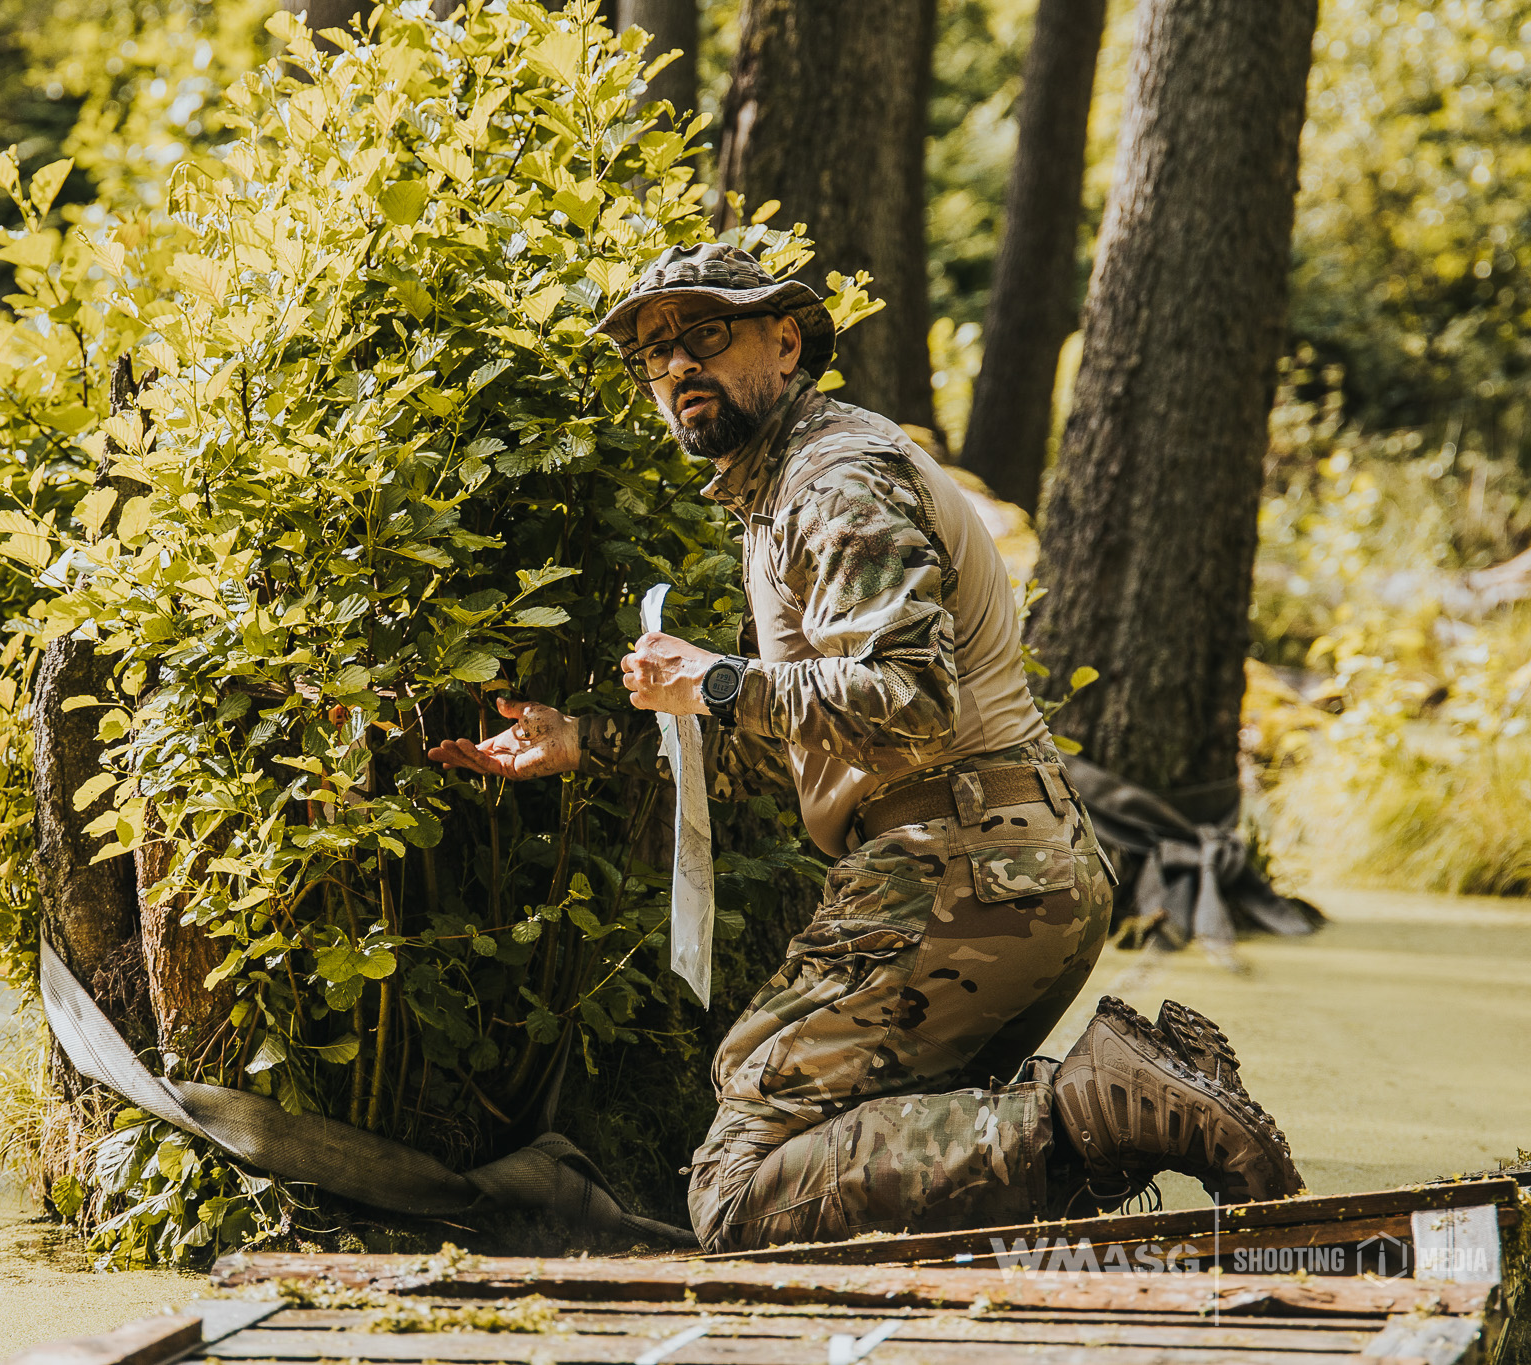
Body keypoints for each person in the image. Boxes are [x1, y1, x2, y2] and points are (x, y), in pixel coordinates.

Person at [429, 243, 1303, 1252]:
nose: (677, 366)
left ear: (783, 342)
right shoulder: (785, 489)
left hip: (961, 870)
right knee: (828, 1147)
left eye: (704, 333)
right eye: (653, 352)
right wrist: (587, 740)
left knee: (738, 1190)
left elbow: (908, 701)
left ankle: (1097, 1106)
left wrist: (716, 679)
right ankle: (1144, 1097)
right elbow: (802, 744)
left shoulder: (835, 482)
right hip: (997, 864)